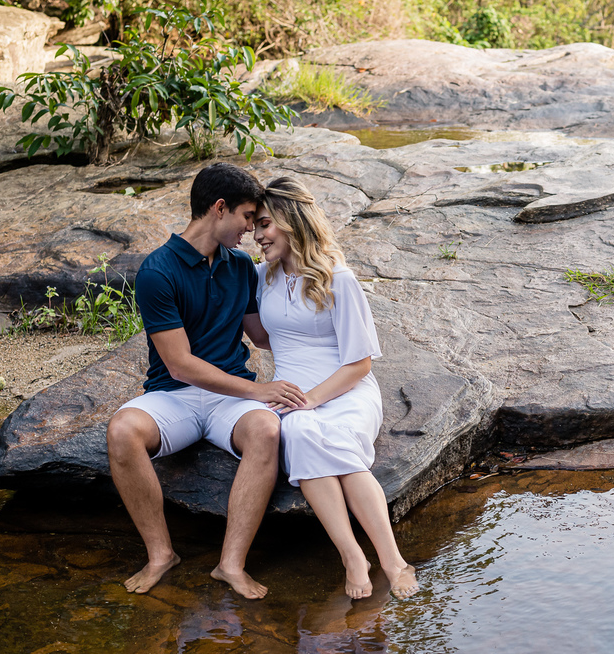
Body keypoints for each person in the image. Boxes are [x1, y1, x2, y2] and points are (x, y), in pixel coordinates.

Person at [107, 163, 307, 599]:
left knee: (266, 429)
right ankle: (161, 554)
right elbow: (179, 365)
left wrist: (316, 301)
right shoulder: (157, 272)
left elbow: (261, 336)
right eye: (247, 217)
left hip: (228, 401)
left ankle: (230, 565)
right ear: (219, 208)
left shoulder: (241, 267)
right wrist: (259, 390)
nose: (252, 229)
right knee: (122, 431)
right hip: (174, 395)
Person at [250, 176, 419, 599]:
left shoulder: (337, 278)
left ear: (292, 222)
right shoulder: (260, 277)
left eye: (265, 225)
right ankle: (352, 556)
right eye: (254, 226)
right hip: (293, 393)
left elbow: (359, 363)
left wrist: (312, 399)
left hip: (345, 390)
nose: (257, 236)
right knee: (299, 431)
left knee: (333, 440)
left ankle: (393, 561)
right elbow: (265, 338)